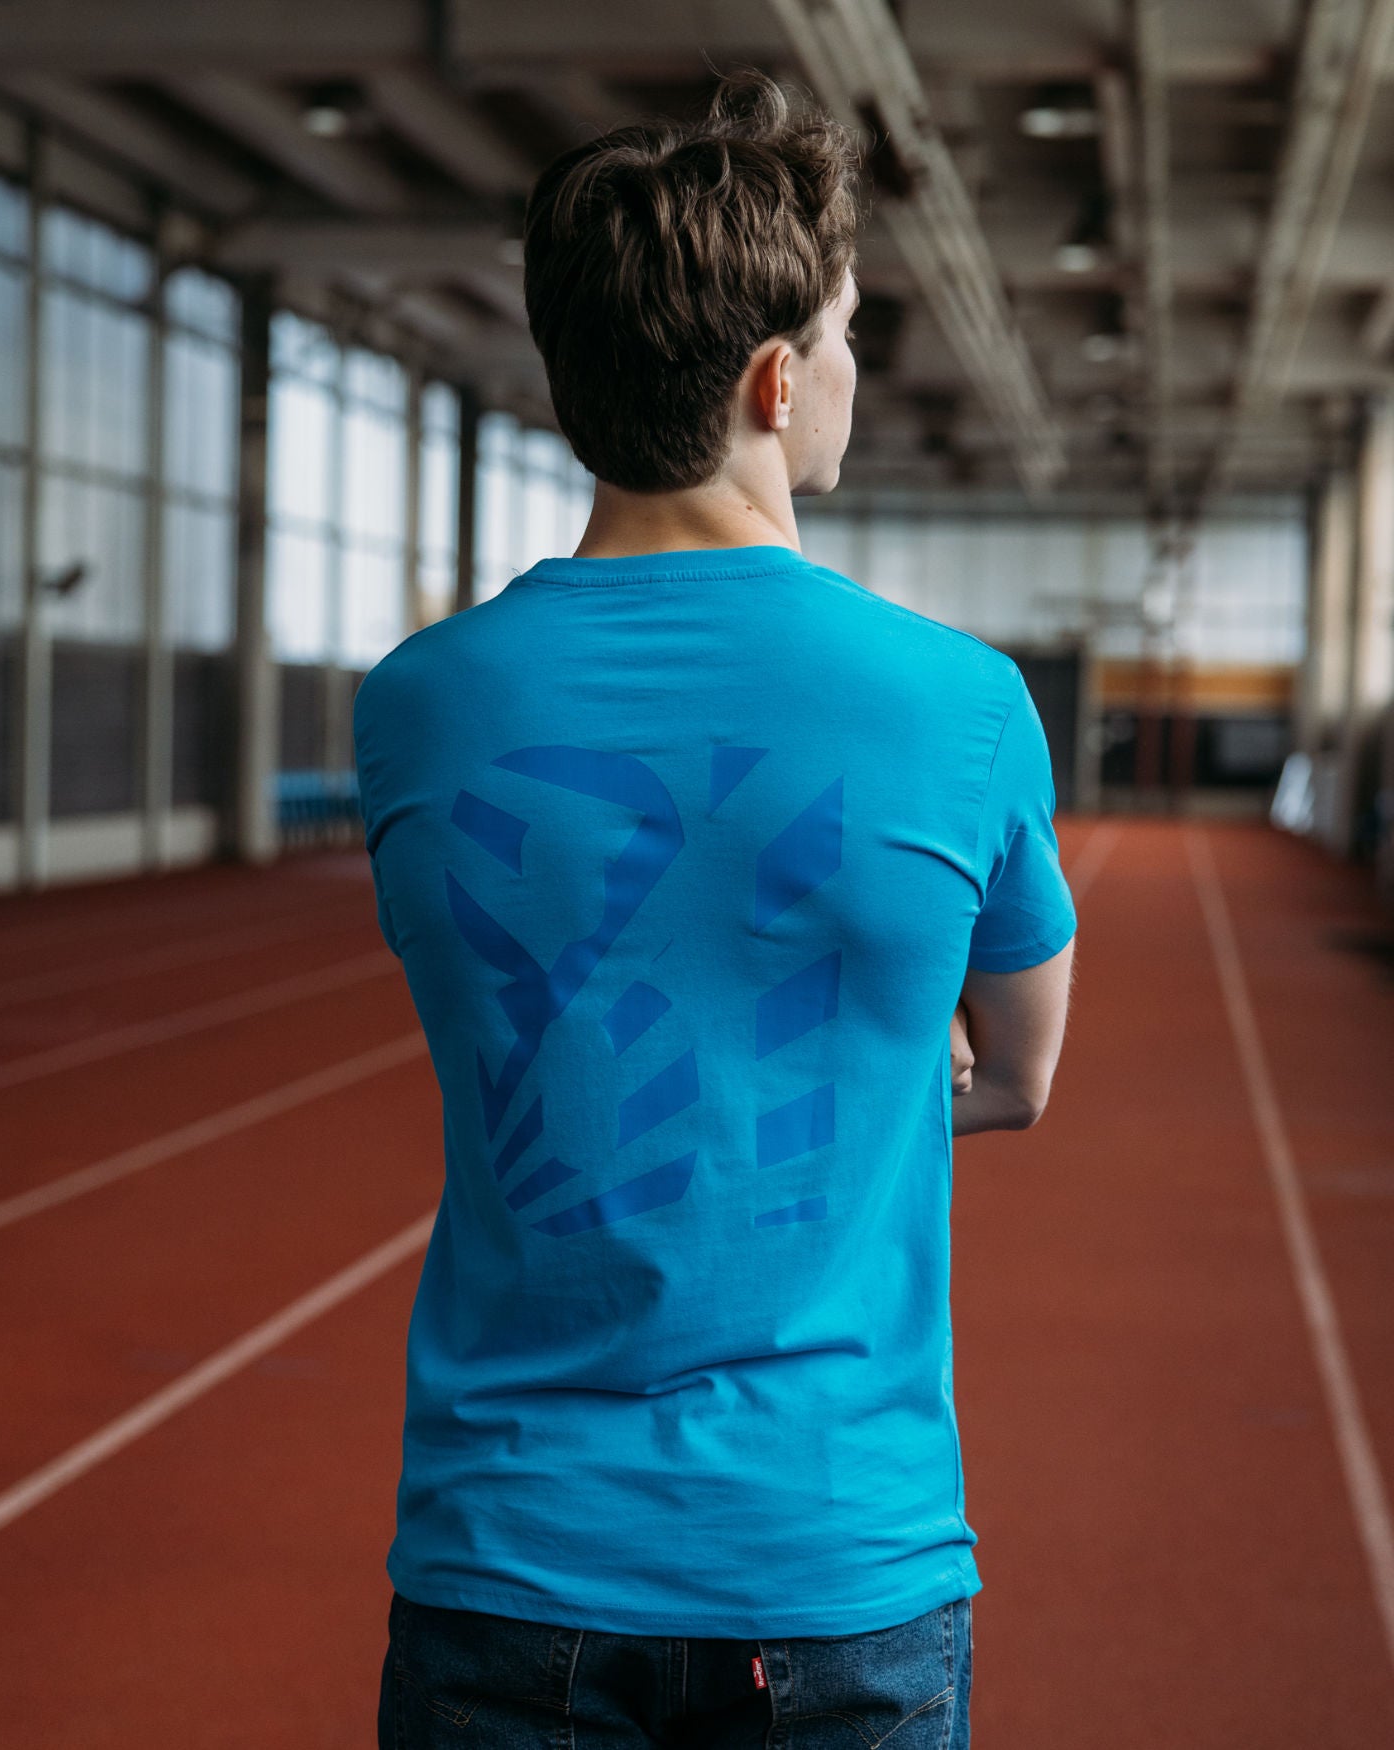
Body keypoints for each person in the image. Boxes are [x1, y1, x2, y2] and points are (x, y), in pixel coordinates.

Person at [355, 66, 1076, 1750]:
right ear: (776, 381)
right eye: (845, 336)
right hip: (834, 1566)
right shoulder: (963, 705)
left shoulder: (417, 707)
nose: (850, 372)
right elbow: (1023, 1074)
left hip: (504, 1563)